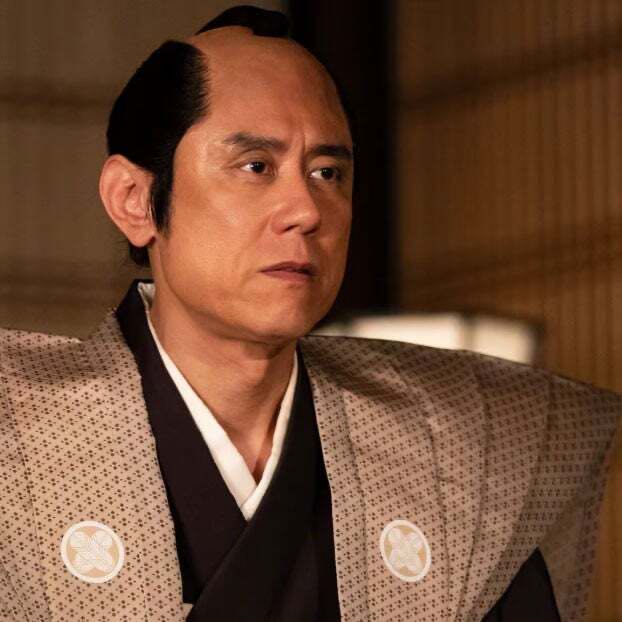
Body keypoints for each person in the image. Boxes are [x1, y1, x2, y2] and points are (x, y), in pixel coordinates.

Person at [0, 6, 619, 622]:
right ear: (135, 200)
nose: (306, 209)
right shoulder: (15, 435)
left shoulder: (464, 447)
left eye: (328, 172)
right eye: (256, 167)